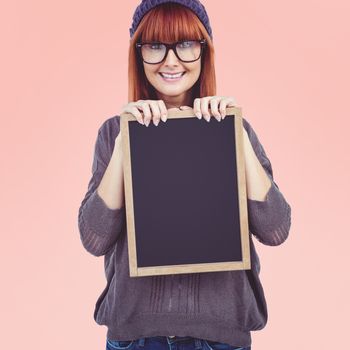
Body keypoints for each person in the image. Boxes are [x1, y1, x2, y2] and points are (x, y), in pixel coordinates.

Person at [77, 1, 292, 349]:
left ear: (205, 52)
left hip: (220, 336)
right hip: (136, 337)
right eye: (156, 46)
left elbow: (275, 228)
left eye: (187, 44)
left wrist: (233, 134)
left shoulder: (236, 130)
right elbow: (94, 238)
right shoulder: (113, 133)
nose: (172, 60)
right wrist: (125, 141)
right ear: (138, 54)